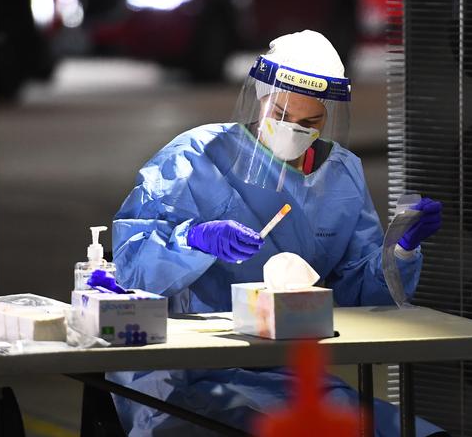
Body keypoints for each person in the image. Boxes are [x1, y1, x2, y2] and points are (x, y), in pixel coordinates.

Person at [109, 30, 444, 436]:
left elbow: (360, 296)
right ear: (260, 97)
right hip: (184, 374)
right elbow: (132, 265)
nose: (293, 130)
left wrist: (400, 250)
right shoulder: (196, 157)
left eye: (310, 122)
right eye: (280, 114)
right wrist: (193, 241)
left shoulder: (340, 175)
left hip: (291, 375)